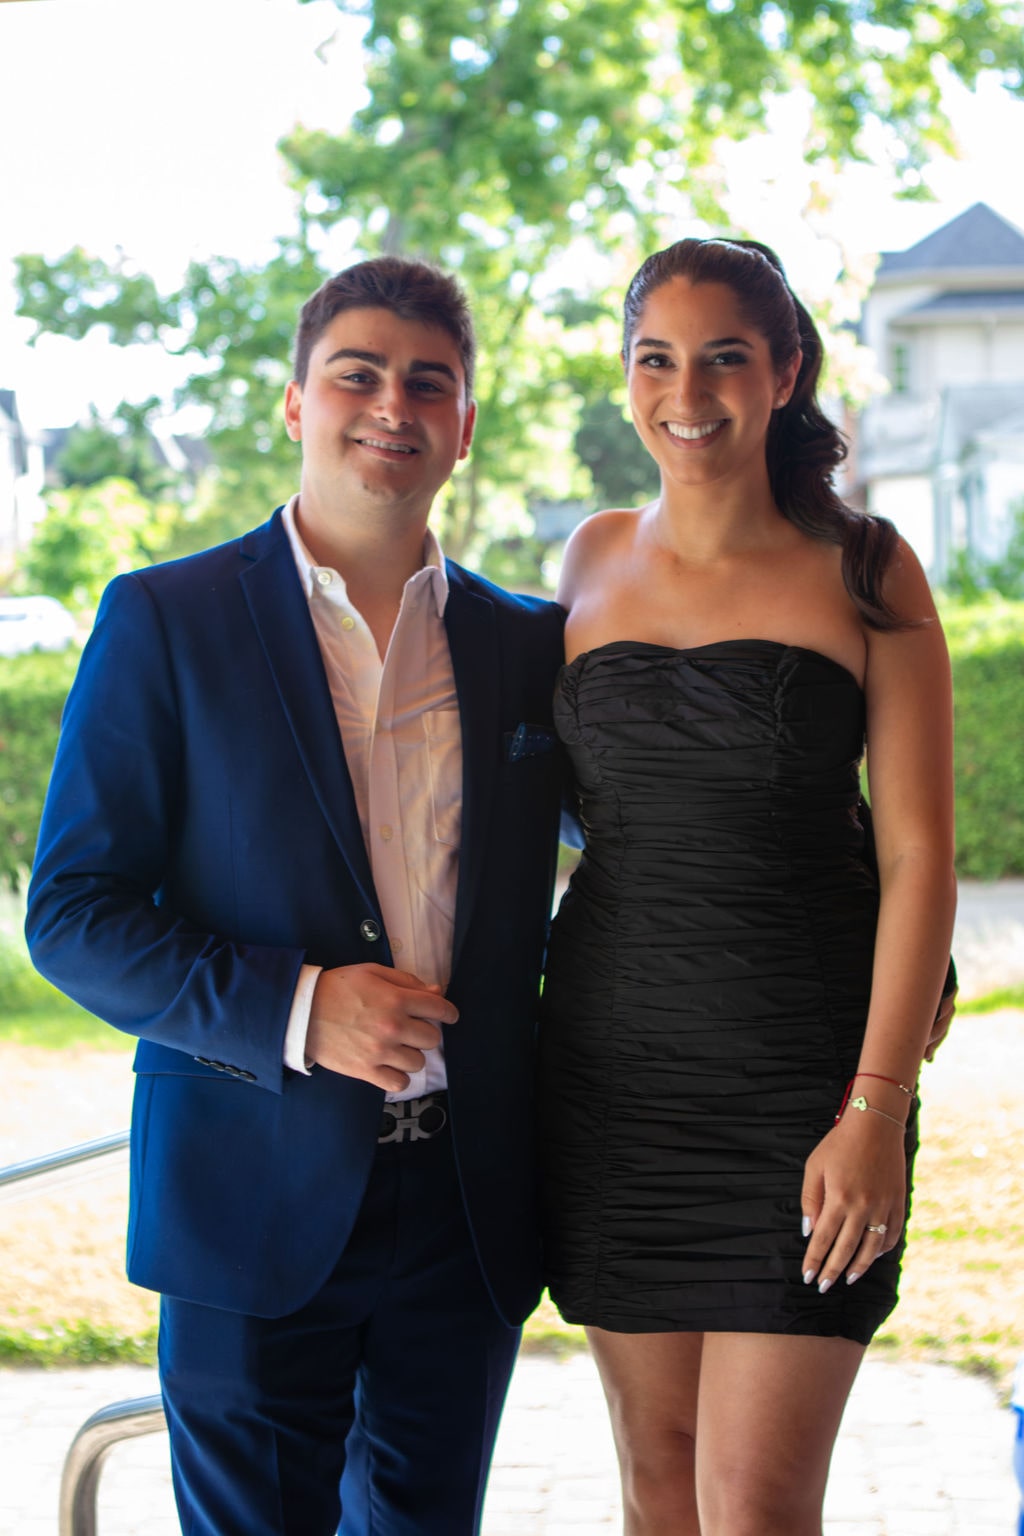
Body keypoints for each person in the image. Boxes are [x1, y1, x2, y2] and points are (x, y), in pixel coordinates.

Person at [25, 257, 567, 1536]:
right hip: (246, 1198)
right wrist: (300, 1007)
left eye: (427, 383)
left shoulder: (528, 644)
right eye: (356, 374)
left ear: (465, 425)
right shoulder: (164, 619)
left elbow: (677, 828)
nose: (392, 405)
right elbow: (73, 913)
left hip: (467, 1206)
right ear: (294, 403)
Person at [537, 236, 957, 1536]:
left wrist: (876, 1106)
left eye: (724, 356)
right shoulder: (586, 559)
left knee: (756, 1504)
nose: (687, 391)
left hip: (804, 1090)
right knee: (658, 1489)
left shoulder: (867, 565)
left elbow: (920, 853)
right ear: (624, 375)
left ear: (784, 372)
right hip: (611, 1083)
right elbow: (568, 809)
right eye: (655, 358)